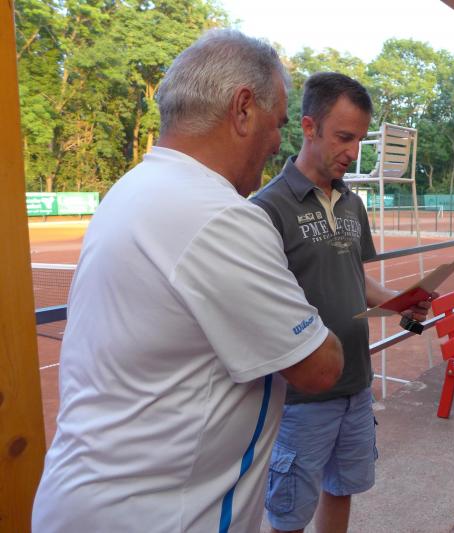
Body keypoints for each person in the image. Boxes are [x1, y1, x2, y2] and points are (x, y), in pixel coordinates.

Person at [32, 30, 345, 533]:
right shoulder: (218, 215)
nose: (277, 143)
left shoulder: (133, 188)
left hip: (87, 498)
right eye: (278, 123)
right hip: (160, 516)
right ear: (243, 109)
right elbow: (320, 367)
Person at [251, 73, 432, 533]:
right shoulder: (267, 209)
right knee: (289, 514)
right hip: (300, 398)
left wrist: (401, 301)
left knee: (341, 488)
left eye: (359, 140)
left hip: (356, 383)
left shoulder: (352, 203)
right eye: (344, 137)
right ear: (309, 127)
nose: (353, 152)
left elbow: (356, 279)